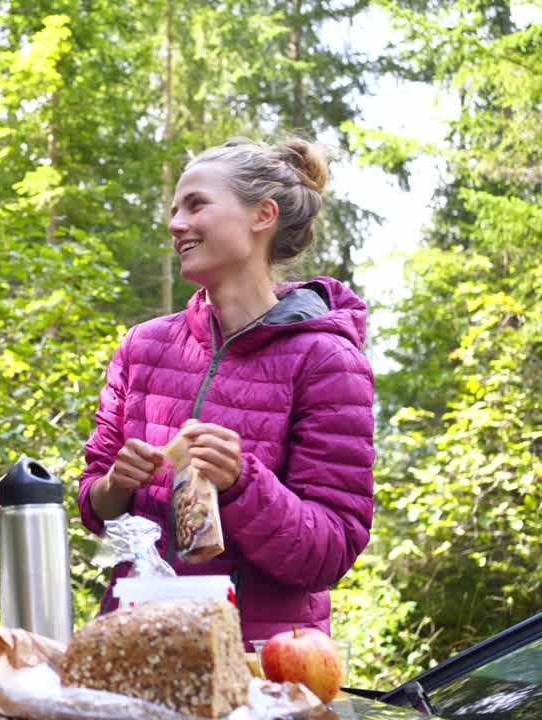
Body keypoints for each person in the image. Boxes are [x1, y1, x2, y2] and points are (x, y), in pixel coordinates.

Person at [77, 137, 375, 644]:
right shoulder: (142, 346)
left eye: (196, 205)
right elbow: (94, 506)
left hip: (261, 662)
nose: (175, 224)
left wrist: (241, 483)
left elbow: (330, 550)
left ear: (263, 215)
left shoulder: (328, 360)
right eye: (174, 210)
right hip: (138, 642)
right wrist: (115, 485)